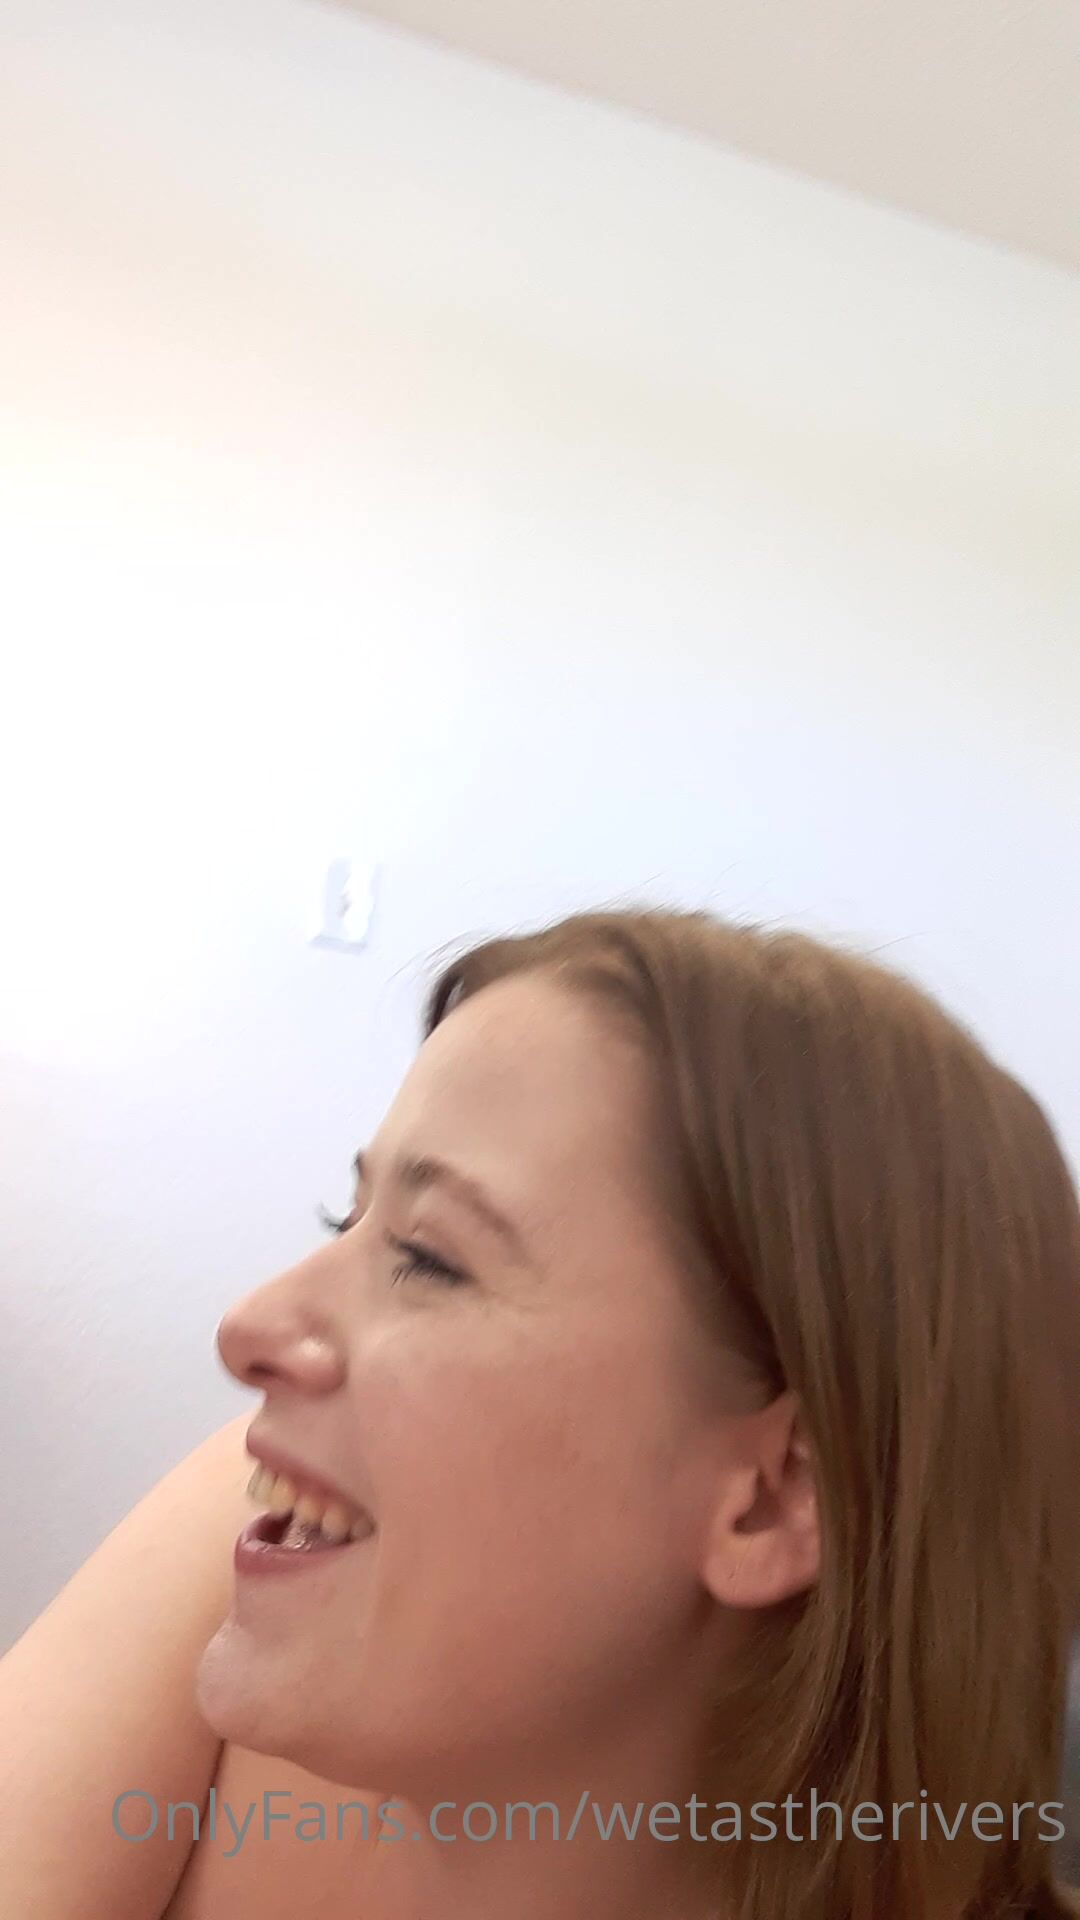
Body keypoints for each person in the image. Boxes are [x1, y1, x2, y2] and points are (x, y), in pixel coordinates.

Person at [2, 907, 1078, 1920]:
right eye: (347, 1217)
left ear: (774, 1494)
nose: (250, 1327)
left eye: (429, 1257)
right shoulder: (258, 1539)